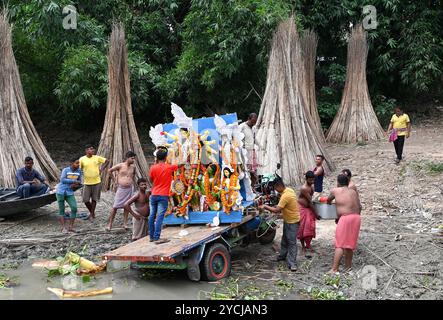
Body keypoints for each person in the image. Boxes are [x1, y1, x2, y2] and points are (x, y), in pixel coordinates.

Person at [259, 178, 300, 272]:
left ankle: (292, 263)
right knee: (285, 239)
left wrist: (265, 206)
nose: (275, 190)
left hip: (292, 221)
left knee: (292, 242)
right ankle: (282, 256)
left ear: (279, 186)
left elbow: (277, 210)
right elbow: (281, 206)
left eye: (275, 188)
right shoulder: (288, 190)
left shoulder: (286, 195)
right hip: (288, 219)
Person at [327, 174, 362, 273]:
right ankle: (348, 267)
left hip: (346, 218)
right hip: (356, 218)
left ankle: (334, 269)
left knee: (340, 244)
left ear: (338, 182)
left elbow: (328, 200)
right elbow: (359, 206)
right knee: (349, 244)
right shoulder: (353, 192)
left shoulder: (335, 190)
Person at [149, 148, 178, 244]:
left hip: (154, 194)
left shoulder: (152, 167)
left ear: (156, 158)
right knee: (160, 217)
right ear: (166, 158)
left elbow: (151, 179)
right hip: (163, 195)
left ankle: (151, 237)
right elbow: (178, 166)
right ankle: (157, 237)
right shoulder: (169, 167)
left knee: (152, 215)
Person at [106, 151, 137, 231]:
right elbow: (109, 170)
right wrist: (114, 181)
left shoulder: (133, 167)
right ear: (127, 158)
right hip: (121, 188)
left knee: (127, 206)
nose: (133, 160)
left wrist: (131, 182)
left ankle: (125, 223)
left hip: (130, 188)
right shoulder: (120, 165)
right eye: (132, 158)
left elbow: (133, 176)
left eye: (134, 158)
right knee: (115, 206)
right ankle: (110, 224)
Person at [79, 144, 109, 220]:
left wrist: (101, 169)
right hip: (86, 182)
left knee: (94, 199)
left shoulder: (97, 158)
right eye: (90, 149)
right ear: (86, 150)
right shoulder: (82, 159)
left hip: (96, 182)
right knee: (85, 200)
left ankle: (92, 214)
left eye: (93, 149)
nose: (92, 150)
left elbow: (107, 161)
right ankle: (92, 213)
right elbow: (79, 169)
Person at [56, 156, 82, 233]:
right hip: (61, 191)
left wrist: (76, 185)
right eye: (76, 163)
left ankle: (71, 227)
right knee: (62, 210)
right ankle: (63, 228)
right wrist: (73, 181)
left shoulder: (79, 171)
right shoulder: (65, 170)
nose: (78, 164)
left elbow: (79, 181)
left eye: (79, 163)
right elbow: (62, 180)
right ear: (72, 163)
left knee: (74, 208)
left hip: (69, 192)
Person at [297, 171, 320, 258]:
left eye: (313, 180)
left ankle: (308, 245)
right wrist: (316, 214)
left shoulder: (311, 186)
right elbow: (310, 202)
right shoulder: (304, 188)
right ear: (306, 179)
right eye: (310, 180)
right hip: (302, 208)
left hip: (308, 208)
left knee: (310, 227)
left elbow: (311, 201)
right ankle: (303, 247)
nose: (312, 181)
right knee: (302, 228)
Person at [239, 113, 259, 187]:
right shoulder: (242, 126)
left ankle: (253, 187)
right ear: (248, 119)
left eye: (255, 122)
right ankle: (248, 188)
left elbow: (254, 138)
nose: (253, 123)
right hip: (245, 152)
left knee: (254, 171)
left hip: (252, 151)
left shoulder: (253, 128)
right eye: (252, 121)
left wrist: (260, 146)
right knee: (246, 171)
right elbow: (237, 137)